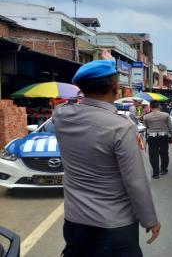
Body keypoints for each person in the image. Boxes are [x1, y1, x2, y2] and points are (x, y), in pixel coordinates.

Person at [53, 58, 160, 257]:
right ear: (115, 87)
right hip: (114, 227)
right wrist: (150, 219)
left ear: (81, 87)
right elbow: (137, 181)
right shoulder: (121, 127)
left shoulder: (61, 117)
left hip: (75, 222)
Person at [143, 101, 172, 179]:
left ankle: (156, 173)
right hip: (163, 137)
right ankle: (164, 170)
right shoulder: (166, 115)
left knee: (153, 155)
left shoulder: (146, 117)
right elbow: (170, 127)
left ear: (150, 107)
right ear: (159, 106)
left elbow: (146, 127)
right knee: (164, 154)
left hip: (152, 137)